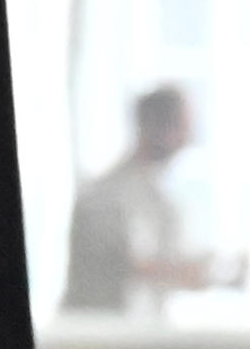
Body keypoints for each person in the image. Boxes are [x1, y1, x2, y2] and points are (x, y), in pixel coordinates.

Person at [61, 85, 240, 315]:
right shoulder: (105, 196)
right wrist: (203, 273)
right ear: (154, 125)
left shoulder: (158, 197)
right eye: (182, 126)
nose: (189, 137)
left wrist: (212, 270)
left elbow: (172, 258)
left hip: (139, 337)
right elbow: (134, 265)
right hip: (98, 338)